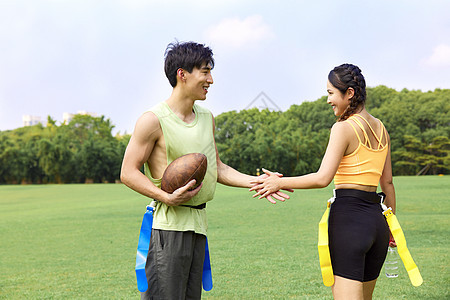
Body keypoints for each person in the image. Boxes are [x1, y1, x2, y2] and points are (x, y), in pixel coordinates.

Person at [120, 41, 290, 300]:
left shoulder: (206, 117)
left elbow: (217, 168)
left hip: (199, 226)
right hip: (169, 228)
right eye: (205, 71)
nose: (210, 79)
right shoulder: (153, 120)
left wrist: (259, 181)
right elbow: (128, 172)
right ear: (182, 74)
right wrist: (165, 197)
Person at [250, 63, 396, 300]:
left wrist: (279, 182)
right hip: (378, 222)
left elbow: (322, 178)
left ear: (349, 93)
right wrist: (390, 228)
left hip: (350, 222)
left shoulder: (343, 128)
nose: (328, 100)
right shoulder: (381, 128)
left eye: (331, 93)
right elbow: (387, 183)